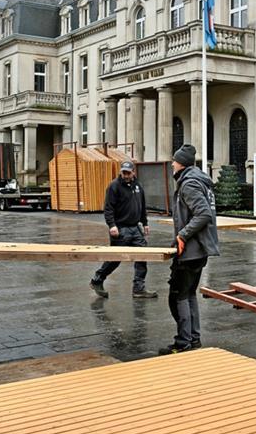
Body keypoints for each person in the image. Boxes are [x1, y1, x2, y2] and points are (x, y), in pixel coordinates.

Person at [159, 144, 220, 355]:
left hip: (192, 250)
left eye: (174, 161)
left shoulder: (189, 184)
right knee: (188, 293)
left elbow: (203, 214)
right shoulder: (199, 181)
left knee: (178, 296)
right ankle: (193, 339)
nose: (172, 164)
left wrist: (183, 235)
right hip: (199, 249)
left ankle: (183, 342)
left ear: (182, 163)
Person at [90, 161, 158, 299]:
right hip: (120, 228)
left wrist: (145, 223)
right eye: (123, 172)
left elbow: (142, 205)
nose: (126, 175)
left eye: (128, 173)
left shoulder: (137, 186)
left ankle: (138, 288)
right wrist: (112, 225)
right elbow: (108, 208)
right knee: (115, 258)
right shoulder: (114, 186)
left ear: (133, 172)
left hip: (135, 228)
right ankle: (97, 280)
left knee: (142, 256)